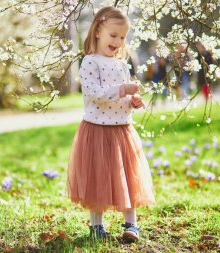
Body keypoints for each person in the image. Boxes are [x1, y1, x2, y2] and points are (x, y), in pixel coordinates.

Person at [67, 6, 155, 242]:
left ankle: (131, 224)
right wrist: (122, 90)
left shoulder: (121, 63)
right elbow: (95, 93)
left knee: (128, 175)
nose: (118, 41)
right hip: (97, 129)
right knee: (98, 178)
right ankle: (97, 226)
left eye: (122, 37)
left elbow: (122, 96)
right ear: (97, 31)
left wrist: (132, 100)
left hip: (122, 128)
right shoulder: (90, 62)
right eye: (113, 35)